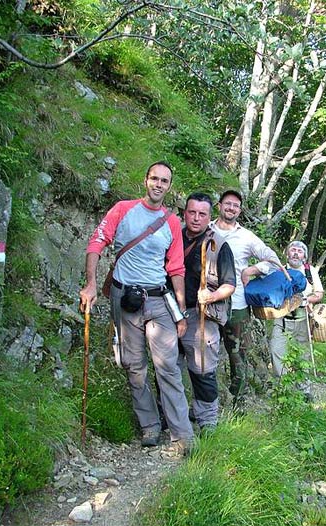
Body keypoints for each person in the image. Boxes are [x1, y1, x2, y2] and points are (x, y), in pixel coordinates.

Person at [79, 161, 195, 458]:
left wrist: (180, 309)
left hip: (158, 299)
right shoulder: (122, 209)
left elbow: (176, 267)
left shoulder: (171, 222)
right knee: (133, 364)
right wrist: (91, 284)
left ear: (169, 187)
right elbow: (97, 243)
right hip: (124, 297)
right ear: (146, 180)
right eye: (154, 178)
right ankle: (150, 426)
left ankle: (183, 436)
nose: (158, 184)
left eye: (164, 181)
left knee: (167, 366)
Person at [210, 189, 282, 398]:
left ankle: (237, 400)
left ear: (239, 211)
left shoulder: (246, 236)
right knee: (204, 353)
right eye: (228, 203)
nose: (231, 208)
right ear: (219, 205)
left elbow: (273, 259)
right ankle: (208, 400)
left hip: (237, 305)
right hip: (208, 302)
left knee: (238, 356)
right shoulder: (206, 229)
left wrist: (252, 270)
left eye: (236, 205)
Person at [178, 192, 236, 431]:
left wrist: (211, 296)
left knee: (202, 370)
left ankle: (207, 421)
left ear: (209, 216)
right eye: (192, 212)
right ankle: (171, 416)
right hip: (170, 312)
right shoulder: (173, 237)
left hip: (202, 315)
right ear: (184, 213)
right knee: (168, 368)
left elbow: (229, 285)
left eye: (202, 214)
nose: (196, 218)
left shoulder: (219, 245)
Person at [242, 240, 324, 381]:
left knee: (303, 355)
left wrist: (305, 300)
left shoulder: (310, 271)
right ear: (287, 254)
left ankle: (303, 387)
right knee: (276, 349)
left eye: (299, 251)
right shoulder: (278, 270)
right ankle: (282, 384)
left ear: (304, 256)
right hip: (282, 319)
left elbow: (319, 294)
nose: (296, 254)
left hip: (303, 317)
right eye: (293, 250)